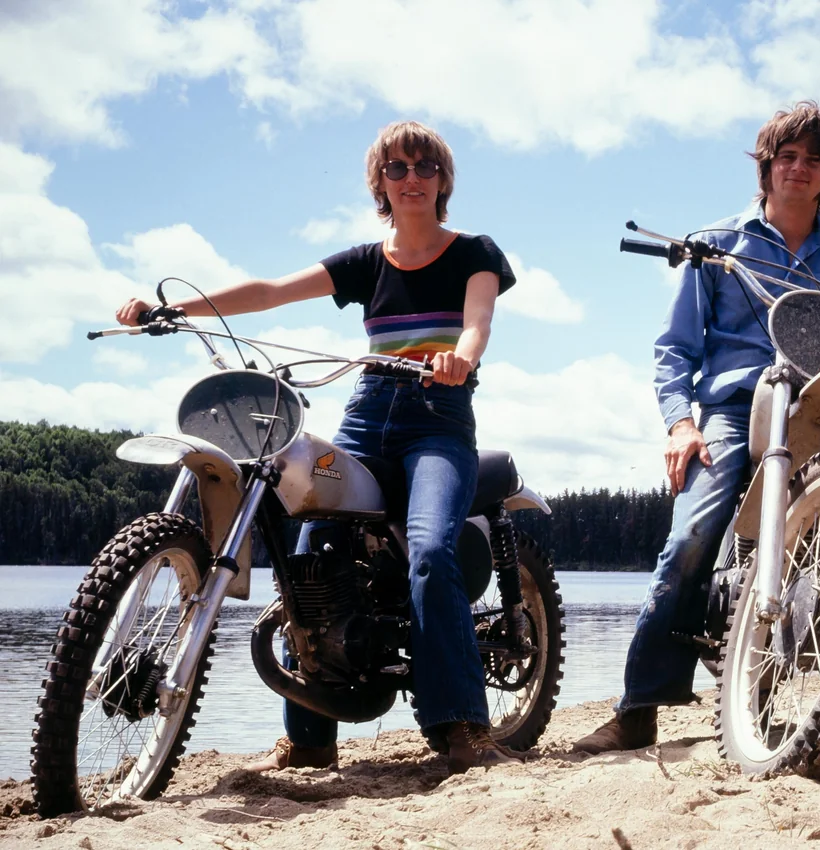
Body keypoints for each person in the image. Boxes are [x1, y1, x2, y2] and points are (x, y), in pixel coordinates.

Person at [115, 120, 521, 775]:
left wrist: (460, 359)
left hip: (437, 422)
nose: (411, 179)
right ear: (380, 184)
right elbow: (273, 290)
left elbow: (478, 323)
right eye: (397, 169)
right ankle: (311, 736)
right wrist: (181, 310)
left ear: (443, 180)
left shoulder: (474, 252)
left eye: (424, 168)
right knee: (310, 548)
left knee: (429, 549)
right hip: (367, 419)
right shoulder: (365, 263)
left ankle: (460, 725)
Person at [574, 102, 820, 756]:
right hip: (736, 408)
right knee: (692, 534)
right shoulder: (718, 243)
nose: (799, 167)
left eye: (813, 159)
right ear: (766, 168)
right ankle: (639, 708)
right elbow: (675, 348)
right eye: (787, 156)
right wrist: (679, 423)